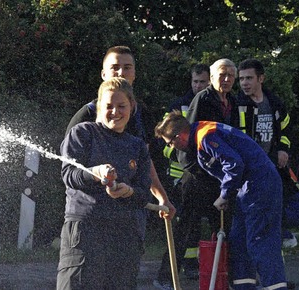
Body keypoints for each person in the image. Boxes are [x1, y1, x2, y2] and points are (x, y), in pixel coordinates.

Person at [155, 111, 287, 290]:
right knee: (238, 242)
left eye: (171, 143)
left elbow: (234, 164)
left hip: (259, 186)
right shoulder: (202, 131)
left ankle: (275, 286)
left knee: (259, 241)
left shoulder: (206, 137)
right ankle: (244, 286)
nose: (172, 147)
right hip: (246, 188)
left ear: (179, 137)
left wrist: (224, 194)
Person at [58, 77, 152, 289]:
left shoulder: (137, 146)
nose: (115, 112)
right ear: (99, 106)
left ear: (132, 107)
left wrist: (128, 192)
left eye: (121, 106)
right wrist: (95, 173)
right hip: (86, 231)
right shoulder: (83, 133)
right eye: (109, 106)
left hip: (124, 234)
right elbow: (69, 175)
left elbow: (144, 195)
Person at [65, 46, 176, 225]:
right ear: (103, 74)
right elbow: (69, 170)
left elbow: (145, 164)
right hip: (91, 216)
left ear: (134, 73)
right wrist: (97, 174)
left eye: (127, 67)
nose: (120, 72)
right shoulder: (85, 118)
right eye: (114, 67)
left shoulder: (142, 115)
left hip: (129, 216)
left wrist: (162, 197)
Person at [154, 59, 237, 289]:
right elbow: (186, 138)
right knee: (185, 227)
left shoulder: (233, 101)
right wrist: (196, 169)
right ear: (213, 77)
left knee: (223, 228)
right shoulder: (203, 99)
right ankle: (165, 277)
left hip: (218, 178)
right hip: (197, 176)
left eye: (231, 75)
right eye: (222, 75)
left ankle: (223, 277)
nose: (227, 79)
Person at [235, 58, 299, 249]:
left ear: (261, 78)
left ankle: (279, 229)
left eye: (249, 78)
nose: (244, 83)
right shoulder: (237, 104)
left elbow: (286, 130)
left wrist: (283, 149)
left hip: (275, 167)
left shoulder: (275, 103)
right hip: (250, 172)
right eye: (241, 79)